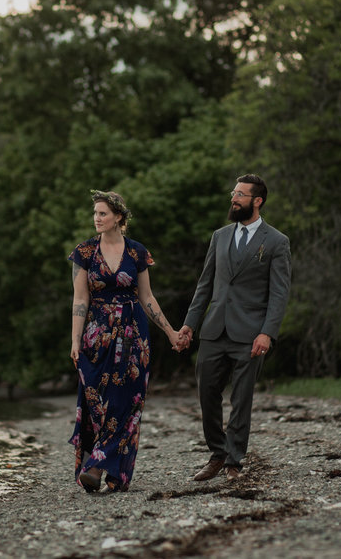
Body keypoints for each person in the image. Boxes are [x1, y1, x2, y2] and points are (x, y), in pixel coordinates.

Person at [69, 190, 188, 493]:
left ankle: (97, 466)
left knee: (127, 401)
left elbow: (146, 297)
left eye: (103, 213)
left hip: (134, 334)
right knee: (95, 400)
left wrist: (171, 332)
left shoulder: (136, 253)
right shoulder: (84, 253)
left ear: (118, 217)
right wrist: (75, 340)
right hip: (97, 336)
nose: (97, 219)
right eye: (95, 213)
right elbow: (80, 299)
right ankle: (114, 472)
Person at [178, 174, 291, 482]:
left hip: (251, 334)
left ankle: (233, 462)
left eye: (240, 194)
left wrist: (267, 332)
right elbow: (205, 285)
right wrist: (189, 324)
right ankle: (217, 453)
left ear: (258, 201)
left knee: (241, 399)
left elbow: (279, 294)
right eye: (233, 193)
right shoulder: (220, 236)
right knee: (207, 393)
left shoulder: (277, 242)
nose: (234, 198)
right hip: (214, 330)